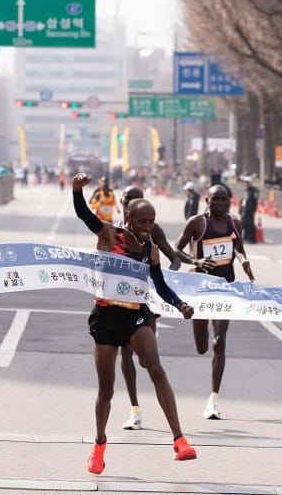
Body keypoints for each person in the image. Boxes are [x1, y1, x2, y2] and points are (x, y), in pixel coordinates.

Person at [71, 173, 197, 474]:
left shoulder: (151, 249)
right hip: (105, 317)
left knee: (156, 369)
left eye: (151, 221)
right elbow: (84, 215)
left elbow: (161, 285)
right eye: (142, 221)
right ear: (129, 219)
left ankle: (179, 440)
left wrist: (180, 304)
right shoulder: (109, 235)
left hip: (135, 316)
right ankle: (99, 444)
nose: (148, 227)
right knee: (107, 391)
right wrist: (77, 191)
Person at [175, 184, 254, 420]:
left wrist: (243, 261)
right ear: (206, 200)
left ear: (229, 202)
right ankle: (202, 329)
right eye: (215, 199)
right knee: (202, 347)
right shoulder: (196, 223)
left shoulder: (234, 223)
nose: (219, 203)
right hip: (200, 289)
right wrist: (196, 261)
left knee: (219, 342)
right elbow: (177, 250)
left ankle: (213, 400)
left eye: (223, 199)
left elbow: (238, 248)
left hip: (224, 289)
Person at [112, 185, 182, 431]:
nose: (131, 202)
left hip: (146, 301)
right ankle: (135, 410)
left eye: (137, 199)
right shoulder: (113, 231)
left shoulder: (152, 228)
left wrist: (164, 280)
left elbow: (174, 259)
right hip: (120, 304)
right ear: (123, 204)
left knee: (147, 361)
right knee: (125, 353)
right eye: (128, 199)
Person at [240, 178, 258, 243]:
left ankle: (252, 238)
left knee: (250, 224)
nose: (246, 184)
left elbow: (255, 201)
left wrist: (253, 210)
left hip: (250, 210)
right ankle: (245, 237)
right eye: (246, 183)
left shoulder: (254, 191)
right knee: (244, 224)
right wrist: (241, 209)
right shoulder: (246, 191)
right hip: (245, 210)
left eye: (248, 183)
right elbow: (244, 201)